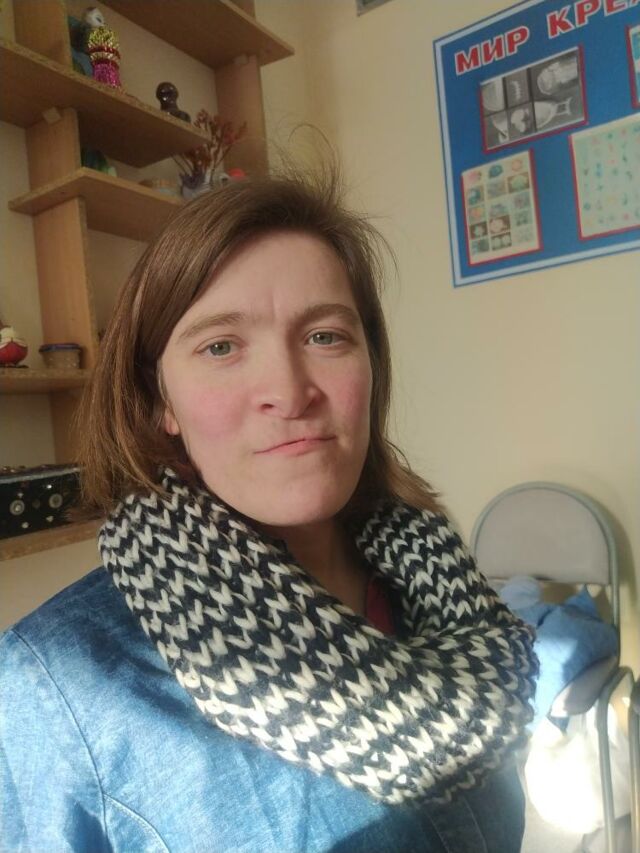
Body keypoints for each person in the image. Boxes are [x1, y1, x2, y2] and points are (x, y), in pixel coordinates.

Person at [0, 168, 537, 852]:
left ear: (372, 364)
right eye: (221, 346)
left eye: (325, 336)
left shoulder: (441, 584)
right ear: (161, 401)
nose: (288, 390)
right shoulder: (57, 683)